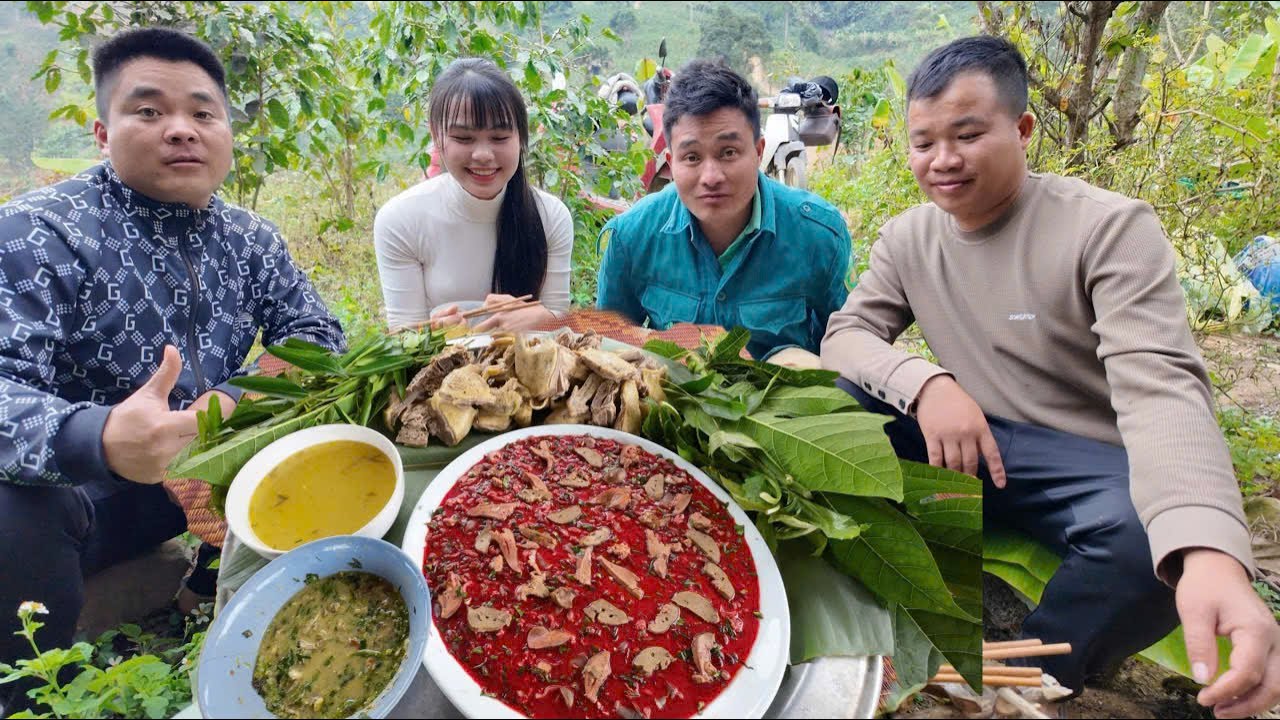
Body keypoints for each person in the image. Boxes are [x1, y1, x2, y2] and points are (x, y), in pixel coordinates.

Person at [821, 35, 1279, 717]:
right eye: (923, 143)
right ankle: (877, 595)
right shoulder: (910, 238)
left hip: (1084, 466)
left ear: (1023, 128)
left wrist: (1210, 547)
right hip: (968, 444)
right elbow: (847, 336)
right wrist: (926, 384)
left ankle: (1029, 672)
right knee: (829, 407)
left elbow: (1163, 387)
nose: (942, 160)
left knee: (1157, 544)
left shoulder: (1108, 229)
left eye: (967, 134)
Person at [0, 27, 344, 710]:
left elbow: (318, 333)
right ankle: (40, 694)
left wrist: (221, 406)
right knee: (12, 509)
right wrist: (95, 437)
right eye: (149, 111)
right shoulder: (41, 231)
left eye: (203, 113)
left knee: (316, 411)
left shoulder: (249, 239)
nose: (181, 130)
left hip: (196, 482)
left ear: (226, 133)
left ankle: (205, 592)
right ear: (102, 132)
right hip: (85, 503)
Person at [595, 59, 853, 363]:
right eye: (691, 157)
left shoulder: (818, 235)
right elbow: (611, 349)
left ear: (758, 152)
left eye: (728, 152)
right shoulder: (630, 237)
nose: (711, 176)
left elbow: (850, 345)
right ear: (670, 162)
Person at [373, 58, 573, 333]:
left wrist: (544, 319)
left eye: (500, 138)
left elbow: (561, 325)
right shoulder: (400, 220)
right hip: (440, 373)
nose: (482, 155)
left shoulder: (551, 216)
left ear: (521, 137)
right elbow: (403, 337)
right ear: (436, 134)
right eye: (463, 139)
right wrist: (430, 336)